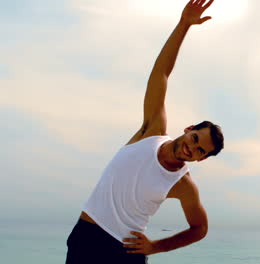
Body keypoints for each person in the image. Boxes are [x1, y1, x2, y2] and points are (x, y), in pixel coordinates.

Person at [65, 1, 223, 263]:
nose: (191, 148)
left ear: (201, 159)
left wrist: (157, 246)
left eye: (199, 150)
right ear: (189, 129)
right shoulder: (151, 131)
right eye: (195, 139)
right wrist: (183, 25)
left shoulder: (183, 185)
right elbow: (161, 73)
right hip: (87, 237)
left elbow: (200, 228)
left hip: (127, 252)